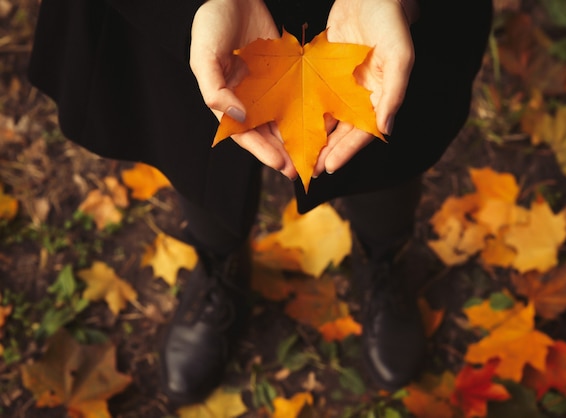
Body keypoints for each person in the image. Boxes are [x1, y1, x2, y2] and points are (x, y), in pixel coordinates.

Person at [28, 0, 493, 406]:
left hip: (370, 22)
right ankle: (219, 267)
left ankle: (383, 259)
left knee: (384, 137)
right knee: (192, 135)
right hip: (193, 18)